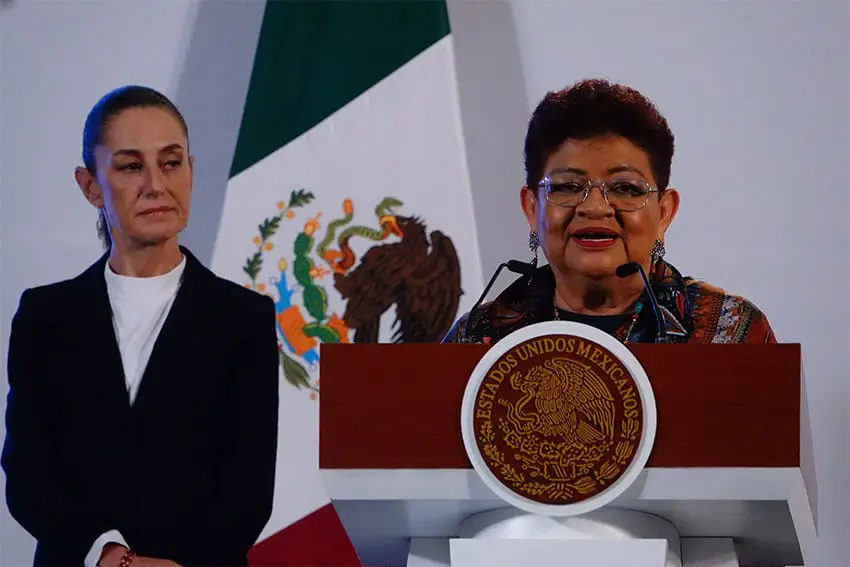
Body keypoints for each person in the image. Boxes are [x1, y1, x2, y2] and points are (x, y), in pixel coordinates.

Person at [2, 86, 279, 566]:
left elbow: (248, 490)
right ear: (90, 186)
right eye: (131, 166)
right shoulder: (45, 317)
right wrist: (107, 555)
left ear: (191, 170)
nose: (156, 185)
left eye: (171, 163)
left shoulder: (243, 319)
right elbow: (28, 474)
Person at [443, 79, 776, 345]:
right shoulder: (478, 340)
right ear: (532, 208)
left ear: (664, 213)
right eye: (568, 187)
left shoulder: (731, 334)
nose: (595, 207)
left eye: (625, 188)